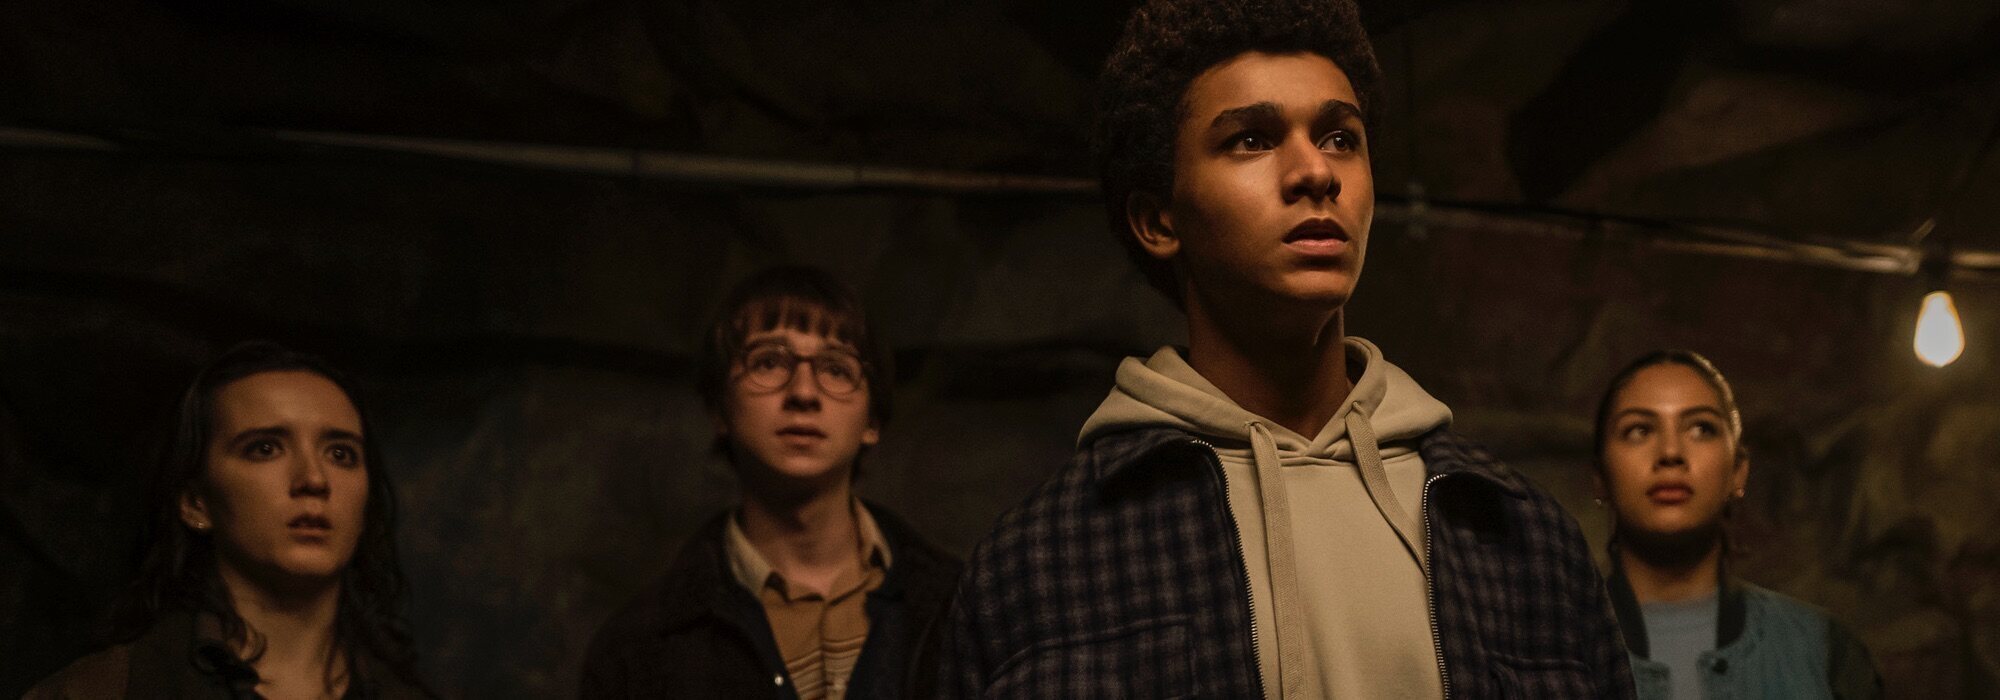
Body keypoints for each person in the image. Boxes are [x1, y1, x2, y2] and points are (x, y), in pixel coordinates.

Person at [937, 0, 1635, 696]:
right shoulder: (1042, 563)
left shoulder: (1520, 535)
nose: (1316, 172)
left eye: (1339, 138)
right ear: (1159, 220)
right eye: (1251, 139)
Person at [580, 266, 961, 699]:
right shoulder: (640, 648)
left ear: (871, 420)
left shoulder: (962, 608)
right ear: (720, 409)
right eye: (768, 362)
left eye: (837, 369)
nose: (804, 393)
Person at [27, 341, 428, 699]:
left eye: (341, 454)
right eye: (265, 448)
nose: (314, 479)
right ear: (195, 503)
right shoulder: (103, 691)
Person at [1593, 350, 1881, 699]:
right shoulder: (1544, 650)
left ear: (1738, 471)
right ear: (1600, 476)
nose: (1670, 452)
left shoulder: (1825, 651)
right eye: (1639, 430)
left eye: (1701, 429)